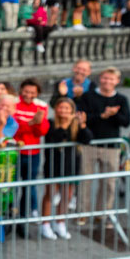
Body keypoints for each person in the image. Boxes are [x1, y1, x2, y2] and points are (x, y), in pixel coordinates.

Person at [75, 67, 130, 219]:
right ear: (100, 79)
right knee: (85, 181)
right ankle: (82, 213)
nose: (108, 82)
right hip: (89, 143)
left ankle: (103, 213)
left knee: (109, 183)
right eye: (105, 78)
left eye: (111, 79)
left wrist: (115, 114)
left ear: (117, 81)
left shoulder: (121, 99)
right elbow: (82, 117)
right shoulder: (88, 96)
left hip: (111, 145)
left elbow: (126, 122)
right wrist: (103, 115)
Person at [39, 97, 82, 240]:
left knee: (67, 196)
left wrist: (82, 125)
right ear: (56, 109)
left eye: (67, 108)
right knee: (50, 194)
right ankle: (45, 224)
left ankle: (60, 222)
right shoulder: (51, 123)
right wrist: (63, 126)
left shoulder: (76, 124)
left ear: (72, 111)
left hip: (71, 165)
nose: (63, 111)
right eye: (61, 107)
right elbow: (54, 139)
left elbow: (87, 138)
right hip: (54, 165)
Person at [10, 79, 49, 233]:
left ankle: (26, 214)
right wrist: (31, 123)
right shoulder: (13, 103)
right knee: (11, 185)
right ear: (21, 90)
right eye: (26, 91)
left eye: (32, 92)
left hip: (32, 152)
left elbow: (42, 132)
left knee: (29, 185)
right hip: (13, 151)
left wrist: (36, 124)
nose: (29, 95)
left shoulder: (41, 106)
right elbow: (13, 127)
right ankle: (10, 213)